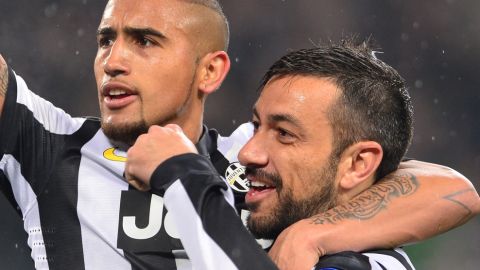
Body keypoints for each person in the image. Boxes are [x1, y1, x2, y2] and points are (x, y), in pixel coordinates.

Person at [0, 0, 478, 269]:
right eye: (106, 40)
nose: (114, 61)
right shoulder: (52, 148)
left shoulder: (258, 176)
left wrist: (312, 233)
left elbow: (452, 189)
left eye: (145, 41)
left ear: (210, 70)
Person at [124, 41, 479, 270]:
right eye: (256, 124)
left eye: (284, 134)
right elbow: (450, 190)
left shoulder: (358, 266)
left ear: (357, 164)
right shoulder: (261, 178)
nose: (248, 151)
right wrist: (309, 233)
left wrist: (182, 172)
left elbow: (457, 192)